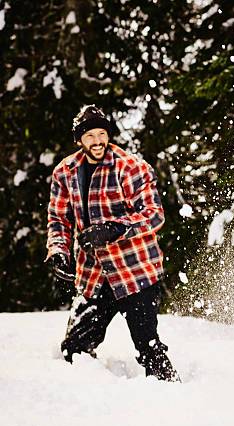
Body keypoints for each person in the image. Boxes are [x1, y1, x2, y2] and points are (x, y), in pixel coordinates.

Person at [46, 105, 179, 382]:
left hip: (135, 270)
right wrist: (58, 249)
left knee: (149, 348)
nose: (97, 141)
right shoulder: (65, 172)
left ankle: (173, 397)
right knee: (74, 351)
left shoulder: (131, 167)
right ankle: (84, 403)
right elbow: (58, 218)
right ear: (79, 140)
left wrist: (115, 229)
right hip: (94, 274)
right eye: (90, 135)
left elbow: (154, 215)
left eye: (101, 133)